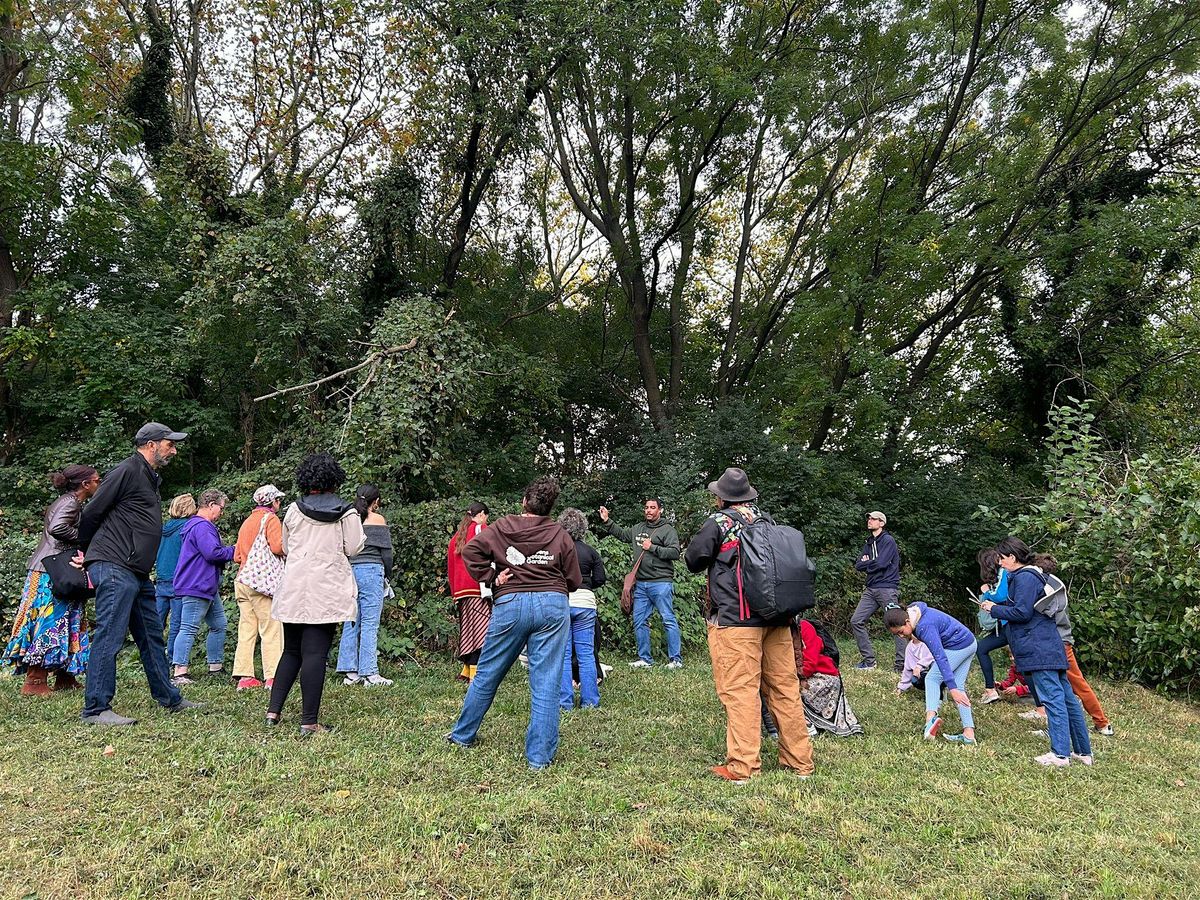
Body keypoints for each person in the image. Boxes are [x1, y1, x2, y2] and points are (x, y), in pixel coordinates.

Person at [684, 467, 815, 784]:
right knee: (784, 690)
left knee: (741, 692)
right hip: (778, 619)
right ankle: (799, 763)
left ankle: (743, 766)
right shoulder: (766, 520)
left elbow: (693, 559)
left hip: (737, 622)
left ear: (721, 498)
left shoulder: (719, 522)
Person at [447, 477, 580, 770]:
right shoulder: (559, 533)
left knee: (487, 674)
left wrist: (491, 578)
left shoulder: (504, 526)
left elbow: (470, 550)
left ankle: (462, 735)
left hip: (511, 603)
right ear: (550, 507)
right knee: (545, 682)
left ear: (524, 501)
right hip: (552, 605)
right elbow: (573, 579)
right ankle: (539, 758)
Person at [78, 422, 201, 725]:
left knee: (151, 636)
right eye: (169, 443)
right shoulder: (127, 470)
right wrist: (88, 551)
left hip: (136, 571)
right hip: (115, 564)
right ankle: (96, 709)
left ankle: (169, 697)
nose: (173, 449)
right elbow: (92, 512)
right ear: (150, 445)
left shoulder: (148, 477)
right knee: (110, 634)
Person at [266, 453, 365, 736]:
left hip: (295, 586)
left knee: (292, 651)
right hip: (327, 588)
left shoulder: (294, 511)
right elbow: (355, 547)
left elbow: (285, 545)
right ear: (335, 479)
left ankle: (273, 712)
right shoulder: (346, 512)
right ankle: (309, 721)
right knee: (315, 654)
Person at [981, 537, 1093, 766]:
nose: (1000, 564)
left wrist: (994, 609)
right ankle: (1083, 752)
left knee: (1053, 699)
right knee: (1067, 698)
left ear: (1012, 557)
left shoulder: (1024, 578)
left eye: (1002, 559)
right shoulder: (1034, 575)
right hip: (1049, 644)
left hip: (1037, 646)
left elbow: (1022, 613)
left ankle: (1060, 754)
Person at [4, 465, 100, 694]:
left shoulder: (69, 501)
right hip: (50, 572)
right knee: (49, 621)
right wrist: (84, 540)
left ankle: (64, 677)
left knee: (68, 618)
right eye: (97, 480)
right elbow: (58, 528)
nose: (99, 483)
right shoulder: (70, 502)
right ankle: (34, 681)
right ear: (85, 484)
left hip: (55, 569)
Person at [1031, 553, 1113, 736]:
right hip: (1060, 640)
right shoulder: (1055, 583)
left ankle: (1101, 722)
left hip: (1057, 641)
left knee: (1073, 684)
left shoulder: (1048, 586)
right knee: (1066, 685)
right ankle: (1096, 723)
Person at [597, 496, 682, 669]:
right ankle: (645, 659)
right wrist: (607, 521)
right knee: (639, 621)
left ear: (660, 510)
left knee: (668, 620)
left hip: (661, 582)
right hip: (641, 584)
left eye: (652, 507)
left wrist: (652, 548)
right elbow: (622, 534)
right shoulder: (638, 528)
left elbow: (674, 553)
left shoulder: (667, 530)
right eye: (646, 507)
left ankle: (676, 660)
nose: (649, 510)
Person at [884, 602, 977, 744]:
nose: (901, 636)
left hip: (959, 646)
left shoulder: (924, 626)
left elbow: (940, 656)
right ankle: (969, 734)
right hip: (969, 641)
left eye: (901, 632)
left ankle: (930, 720)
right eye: (897, 635)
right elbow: (918, 603)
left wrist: (951, 687)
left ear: (907, 621)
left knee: (932, 679)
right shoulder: (914, 612)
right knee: (958, 687)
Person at [170, 490, 235, 684]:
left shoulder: (193, 525)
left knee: (219, 624)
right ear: (211, 505)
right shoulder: (202, 527)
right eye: (221, 508)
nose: (221, 512)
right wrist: (235, 550)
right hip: (197, 584)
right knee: (189, 627)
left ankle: (215, 667)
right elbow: (212, 553)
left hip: (205, 585)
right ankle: (179, 672)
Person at [337, 483, 395, 687]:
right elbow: (386, 555)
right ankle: (370, 672)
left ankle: (350, 671)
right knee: (370, 623)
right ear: (376, 501)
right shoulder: (378, 519)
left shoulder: (348, 520)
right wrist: (387, 576)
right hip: (372, 571)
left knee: (351, 620)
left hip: (351, 572)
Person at [232, 484, 287, 690]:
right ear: (272, 502)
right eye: (278, 500)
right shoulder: (270, 519)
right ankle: (273, 676)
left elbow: (237, 555)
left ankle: (245, 677)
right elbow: (277, 547)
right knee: (271, 628)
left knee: (247, 629)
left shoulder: (247, 521)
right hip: (261, 583)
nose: (279, 503)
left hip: (242, 580)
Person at [557, 507, 605, 710]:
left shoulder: (557, 550)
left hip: (563, 601)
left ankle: (564, 702)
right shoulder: (591, 552)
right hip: (586, 602)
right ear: (582, 529)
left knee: (564, 654)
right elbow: (601, 578)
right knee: (586, 653)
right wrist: (586, 587)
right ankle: (590, 701)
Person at [850, 510, 905, 672]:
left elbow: (882, 563)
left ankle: (901, 665)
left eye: (873, 519)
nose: (869, 521)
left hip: (887, 587)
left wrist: (869, 562)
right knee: (856, 620)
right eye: (868, 518)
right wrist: (871, 562)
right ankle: (869, 662)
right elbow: (858, 565)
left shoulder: (888, 541)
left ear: (882, 523)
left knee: (897, 624)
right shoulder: (868, 543)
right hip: (871, 589)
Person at [793, 617, 862, 737]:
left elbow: (810, 663)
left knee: (787, 689)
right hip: (804, 674)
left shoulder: (804, 628)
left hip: (823, 676)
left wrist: (791, 676)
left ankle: (807, 724)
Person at [447, 502, 490, 682]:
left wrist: (454, 592)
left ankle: (465, 671)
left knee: (468, 630)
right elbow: (490, 552)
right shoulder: (481, 529)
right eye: (487, 516)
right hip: (477, 587)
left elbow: (450, 566)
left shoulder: (458, 536)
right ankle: (475, 673)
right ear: (481, 514)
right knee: (481, 632)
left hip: (461, 590)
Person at [156, 493, 197, 656]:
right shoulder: (187, 528)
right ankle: (173, 656)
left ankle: (154, 655)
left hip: (161, 579)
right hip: (179, 580)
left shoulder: (164, 528)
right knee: (177, 624)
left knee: (157, 623)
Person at [975, 548, 1011, 704]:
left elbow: (1001, 595)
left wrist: (986, 593)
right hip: (1006, 624)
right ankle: (990, 690)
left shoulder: (1004, 571)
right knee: (981, 648)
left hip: (1013, 624)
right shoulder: (999, 575)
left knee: (1023, 664)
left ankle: (1041, 708)